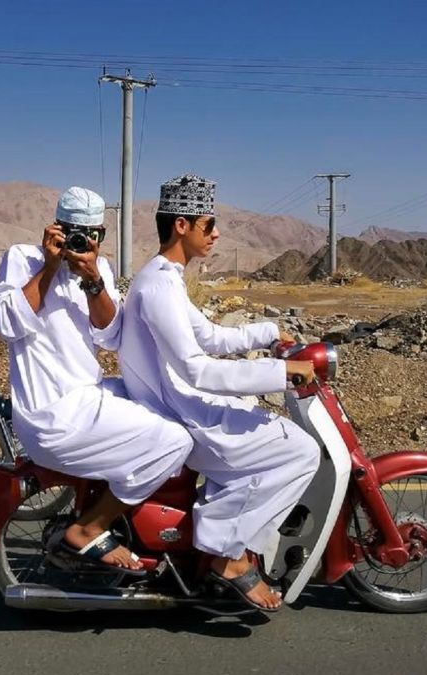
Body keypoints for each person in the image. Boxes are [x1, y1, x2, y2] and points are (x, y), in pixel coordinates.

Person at [118, 174, 321, 611]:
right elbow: (197, 370)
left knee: (264, 428)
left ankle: (221, 538)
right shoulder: (158, 286)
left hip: (179, 400)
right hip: (178, 409)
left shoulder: (165, 278)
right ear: (182, 226)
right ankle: (226, 555)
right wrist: (282, 373)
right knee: (301, 451)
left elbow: (208, 337)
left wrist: (268, 333)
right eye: (209, 224)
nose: (216, 233)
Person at [0, 187, 193, 572]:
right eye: (72, 232)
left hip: (89, 394)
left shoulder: (101, 270)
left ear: (101, 234)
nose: (81, 242)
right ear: (55, 229)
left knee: (171, 407)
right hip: (52, 414)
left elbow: (111, 335)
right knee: (175, 442)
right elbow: (5, 324)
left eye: (92, 234)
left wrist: (94, 279)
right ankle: (89, 527)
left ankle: (138, 516)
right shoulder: (22, 258)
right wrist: (49, 268)